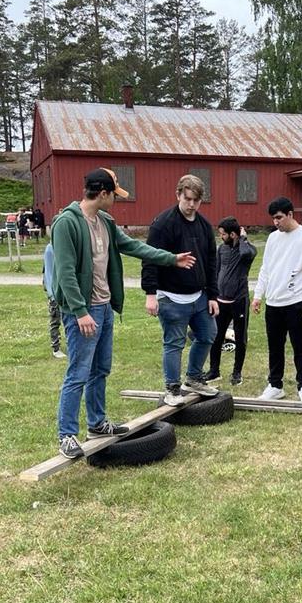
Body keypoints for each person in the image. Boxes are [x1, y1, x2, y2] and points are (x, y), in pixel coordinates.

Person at [51, 168, 196, 459]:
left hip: (103, 308)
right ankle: (66, 435)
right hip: (83, 310)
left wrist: (171, 259)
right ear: (102, 193)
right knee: (78, 373)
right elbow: (65, 272)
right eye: (114, 195)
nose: (116, 200)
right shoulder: (66, 223)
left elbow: (133, 246)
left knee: (100, 369)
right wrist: (80, 312)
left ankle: (97, 424)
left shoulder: (105, 220)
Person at [142, 174, 220, 406]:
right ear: (178, 195)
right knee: (174, 343)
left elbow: (211, 261)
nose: (191, 204)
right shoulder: (163, 223)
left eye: (196, 200)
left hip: (199, 296)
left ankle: (194, 378)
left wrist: (212, 295)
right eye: (187, 199)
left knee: (208, 335)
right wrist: (150, 294)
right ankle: (172, 388)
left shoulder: (205, 226)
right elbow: (149, 258)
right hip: (171, 297)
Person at [252, 196, 302, 402]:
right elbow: (266, 268)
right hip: (273, 302)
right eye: (273, 219)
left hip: (297, 302)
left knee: (300, 346)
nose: (276, 222)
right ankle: (275, 385)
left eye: (279, 218)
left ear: (291, 214)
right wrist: (258, 295)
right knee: (275, 346)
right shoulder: (273, 238)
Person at [204, 217, 257, 386]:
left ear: (233, 234)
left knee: (240, 338)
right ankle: (214, 371)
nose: (221, 237)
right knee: (216, 336)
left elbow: (246, 253)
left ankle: (237, 373)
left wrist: (242, 238)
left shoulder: (248, 249)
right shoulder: (221, 250)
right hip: (221, 301)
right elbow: (216, 271)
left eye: (223, 234)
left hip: (239, 301)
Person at [42, 240, 65, 359]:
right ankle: (56, 348)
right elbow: (49, 272)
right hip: (55, 292)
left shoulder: (60, 246)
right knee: (55, 319)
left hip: (62, 289)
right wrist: (52, 293)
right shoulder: (51, 248)